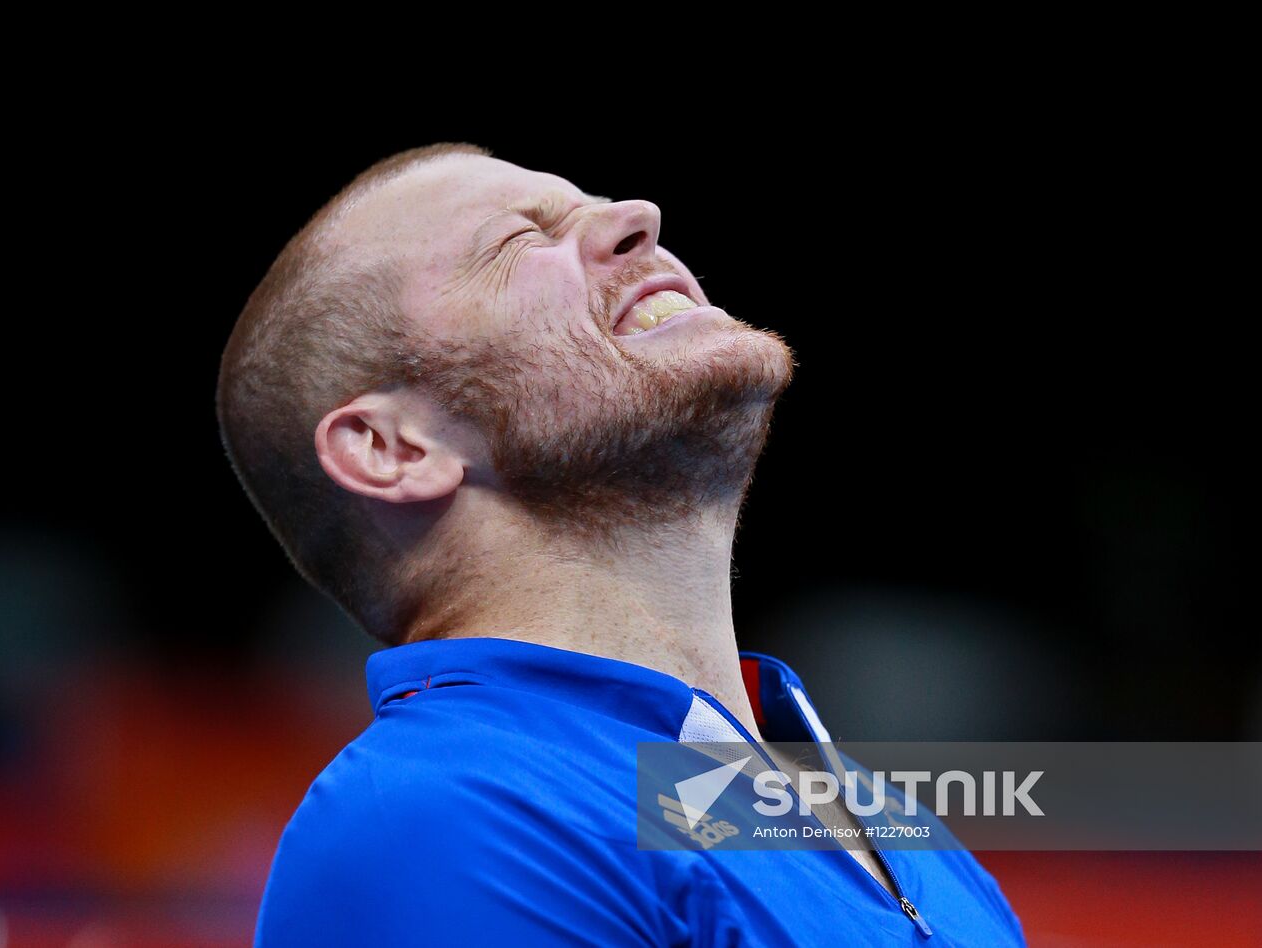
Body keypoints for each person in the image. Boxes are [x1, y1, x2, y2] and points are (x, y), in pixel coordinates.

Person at [216, 142, 1026, 945]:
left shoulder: (897, 827)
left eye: (593, 208)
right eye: (519, 240)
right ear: (393, 449)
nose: (639, 217)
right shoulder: (444, 818)